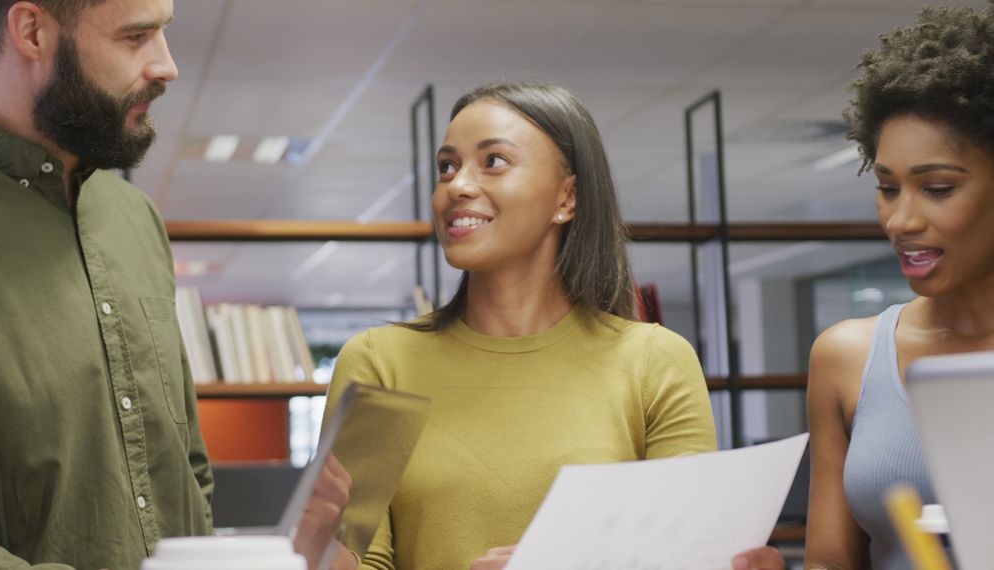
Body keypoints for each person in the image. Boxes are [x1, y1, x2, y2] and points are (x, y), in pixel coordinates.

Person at [0, 1, 352, 568]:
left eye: (163, 32)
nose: (167, 66)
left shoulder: (134, 218)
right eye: (136, 36)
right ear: (31, 31)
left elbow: (186, 474)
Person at [323, 82, 720, 570]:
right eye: (447, 166)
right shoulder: (377, 362)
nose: (458, 186)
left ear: (567, 197)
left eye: (493, 161)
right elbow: (358, 561)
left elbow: (689, 557)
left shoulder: (654, 360)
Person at [734, 3, 994, 569]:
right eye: (888, 187)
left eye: (939, 188)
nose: (900, 220)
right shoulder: (847, 356)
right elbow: (833, 563)